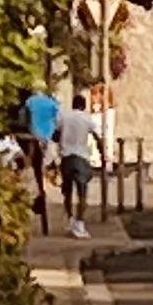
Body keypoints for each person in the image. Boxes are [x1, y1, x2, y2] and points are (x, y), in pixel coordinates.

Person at [17, 80, 59, 233]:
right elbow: (57, 120)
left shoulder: (29, 102)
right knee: (40, 178)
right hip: (47, 142)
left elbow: (23, 120)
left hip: (31, 141)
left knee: (28, 176)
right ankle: (43, 215)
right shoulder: (51, 102)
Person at [56, 89, 97, 239]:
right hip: (81, 156)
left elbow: (56, 132)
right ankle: (80, 221)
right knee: (82, 193)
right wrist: (103, 153)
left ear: (73, 105)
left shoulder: (64, 117)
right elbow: (98, 135)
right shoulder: (87, 119)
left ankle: (70, 217)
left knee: (67, 192)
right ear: (84, 106)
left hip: (67, 156)